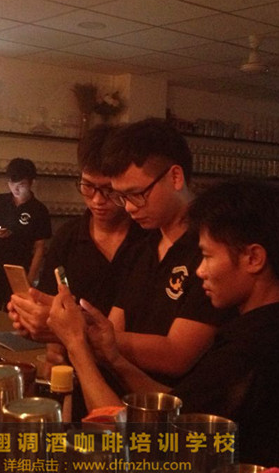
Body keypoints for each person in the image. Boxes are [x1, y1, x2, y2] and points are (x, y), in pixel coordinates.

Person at [48, 180, 279, 470]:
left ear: (253, 258)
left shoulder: (253, 349)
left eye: (208, 256)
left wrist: (76, 344)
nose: (200, 271)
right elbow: (178, 406)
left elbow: (129, 445)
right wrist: (113, 358)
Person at [98, 118, 232, 384]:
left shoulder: (212, 249)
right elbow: (114, 329)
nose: (129, 207)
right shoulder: (141, 248)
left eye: (137, 194)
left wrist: (88, 335)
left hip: (181, 405)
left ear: (175, 177)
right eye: (121, 197)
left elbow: (177, 356)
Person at [9, 125, 146, 337]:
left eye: (109, 190)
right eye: (88, 186)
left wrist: (62, 329)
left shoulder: (149, 238)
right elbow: (48, 305)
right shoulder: (68, 237)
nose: (97, 200)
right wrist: (32, 318)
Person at [0, 158, 51, 311]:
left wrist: (30, 278)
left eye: (21, 185)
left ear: (31, 183)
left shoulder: (39, 210)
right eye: (12, 183)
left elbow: (39, 248)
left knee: (14, 312)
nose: (15, 189)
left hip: (19, 270)